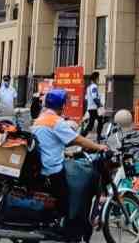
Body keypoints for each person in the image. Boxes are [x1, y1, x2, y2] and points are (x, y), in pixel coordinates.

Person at [32, 88, 107, 229]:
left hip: (42, 166)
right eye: (63, 103)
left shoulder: (39, 119)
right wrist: (98, 147)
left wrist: (67, 153)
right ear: (60, 105)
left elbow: (51, 142)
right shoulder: (56, 122)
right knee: (80, 185)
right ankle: (70, 225)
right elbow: (78, 139)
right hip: (53, 169)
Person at [84, 72, 103, 138]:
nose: (98, 80)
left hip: (91, 107)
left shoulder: (89, 87)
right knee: (93, 123)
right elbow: (94, 97)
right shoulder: (94, 86)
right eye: (98, 78)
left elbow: (86, 98)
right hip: (94, 108)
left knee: (98, 121)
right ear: (95, 79)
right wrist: (100, 105)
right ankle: (82, 136)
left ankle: (98, 136)